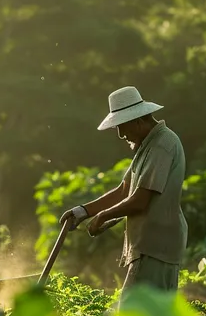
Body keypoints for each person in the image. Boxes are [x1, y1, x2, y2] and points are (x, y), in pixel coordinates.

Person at [60, 85, 188, 296]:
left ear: (138, 121)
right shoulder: (147, 145)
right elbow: (124, 190)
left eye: (122, 126)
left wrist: (103, 217)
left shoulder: (162, 145)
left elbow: (140, 200)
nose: (120, 134)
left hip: (156, 245)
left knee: (134, 314)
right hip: (148, 244)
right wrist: (82, 211)